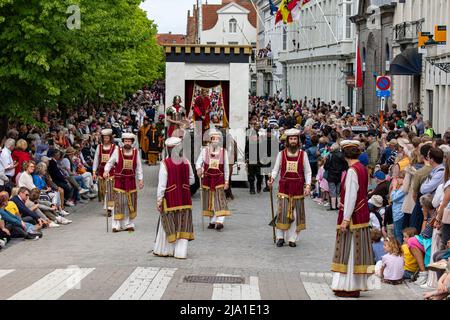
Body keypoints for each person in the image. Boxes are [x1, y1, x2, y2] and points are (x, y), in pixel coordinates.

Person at [330, 140, 374, 298]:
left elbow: (350, 196)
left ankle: (348, 286)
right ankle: (353, 284)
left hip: (353, 216)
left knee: (348, 251)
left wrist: (346, 219)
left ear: (344, 154)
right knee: (357, 250)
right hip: (362, 213)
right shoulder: (362, 168)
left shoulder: (351, 171)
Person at [268, 128, 312, 248]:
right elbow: (276, 169)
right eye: (291, 139)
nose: (293, 141)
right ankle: (280, 237)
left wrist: (308, 185)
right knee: (282, 212)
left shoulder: (304, 154)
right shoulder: (281, 154)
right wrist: (271, 179)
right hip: (284, 187)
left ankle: (293, 238)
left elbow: (308, 172)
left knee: (297, 214)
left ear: (298, 140)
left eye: (295, 139)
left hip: (298, 187)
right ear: (287, 141)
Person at [153, 137, 195, 259]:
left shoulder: (165, 163)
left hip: (170, 199)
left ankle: (164, 250)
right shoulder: (186, 161)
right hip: (185, 199)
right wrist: (183, 184)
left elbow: (162, 184)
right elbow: (192, 180)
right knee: (183, 224)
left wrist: (159, 200)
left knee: (168, 224)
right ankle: (180, 253)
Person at [104, 133, 144, 232]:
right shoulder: (117, 151)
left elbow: (139, 167)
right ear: (123, 142)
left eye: (129, 141)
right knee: (118, 203)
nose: (127, 143)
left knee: (129, 203)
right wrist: (106, 171)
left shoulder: (136, 152)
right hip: (119, 181)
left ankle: (128, 224)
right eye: (125, 141)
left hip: (131, 181)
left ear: (132, 142)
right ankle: (116, 225)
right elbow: (109, 163)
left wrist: (140, 179)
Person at [196, 129, 230, 231]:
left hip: (219, 179)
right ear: (210, 140)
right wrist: (199, 169)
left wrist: (227, 181)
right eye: (213, 139)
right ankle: (212, 221)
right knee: (209, 201)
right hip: (207, 179)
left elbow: (226, 168)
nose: (215, 141)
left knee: (219, 200)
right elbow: (198, 163)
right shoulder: (204, 151)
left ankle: (220, 221)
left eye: (217, 139)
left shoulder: (224, 152)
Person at [92, 129, 116, 216]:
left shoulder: (115, 147)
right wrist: (94, 172)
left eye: (107, 138)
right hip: (101, 171)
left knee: (109, 190)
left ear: (110, 138)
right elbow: (96, 160)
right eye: (104, 138)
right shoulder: (99, 147)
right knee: (103, 191)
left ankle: (109, 208)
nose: (106, 140)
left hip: (111, 172)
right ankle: (107, 206)